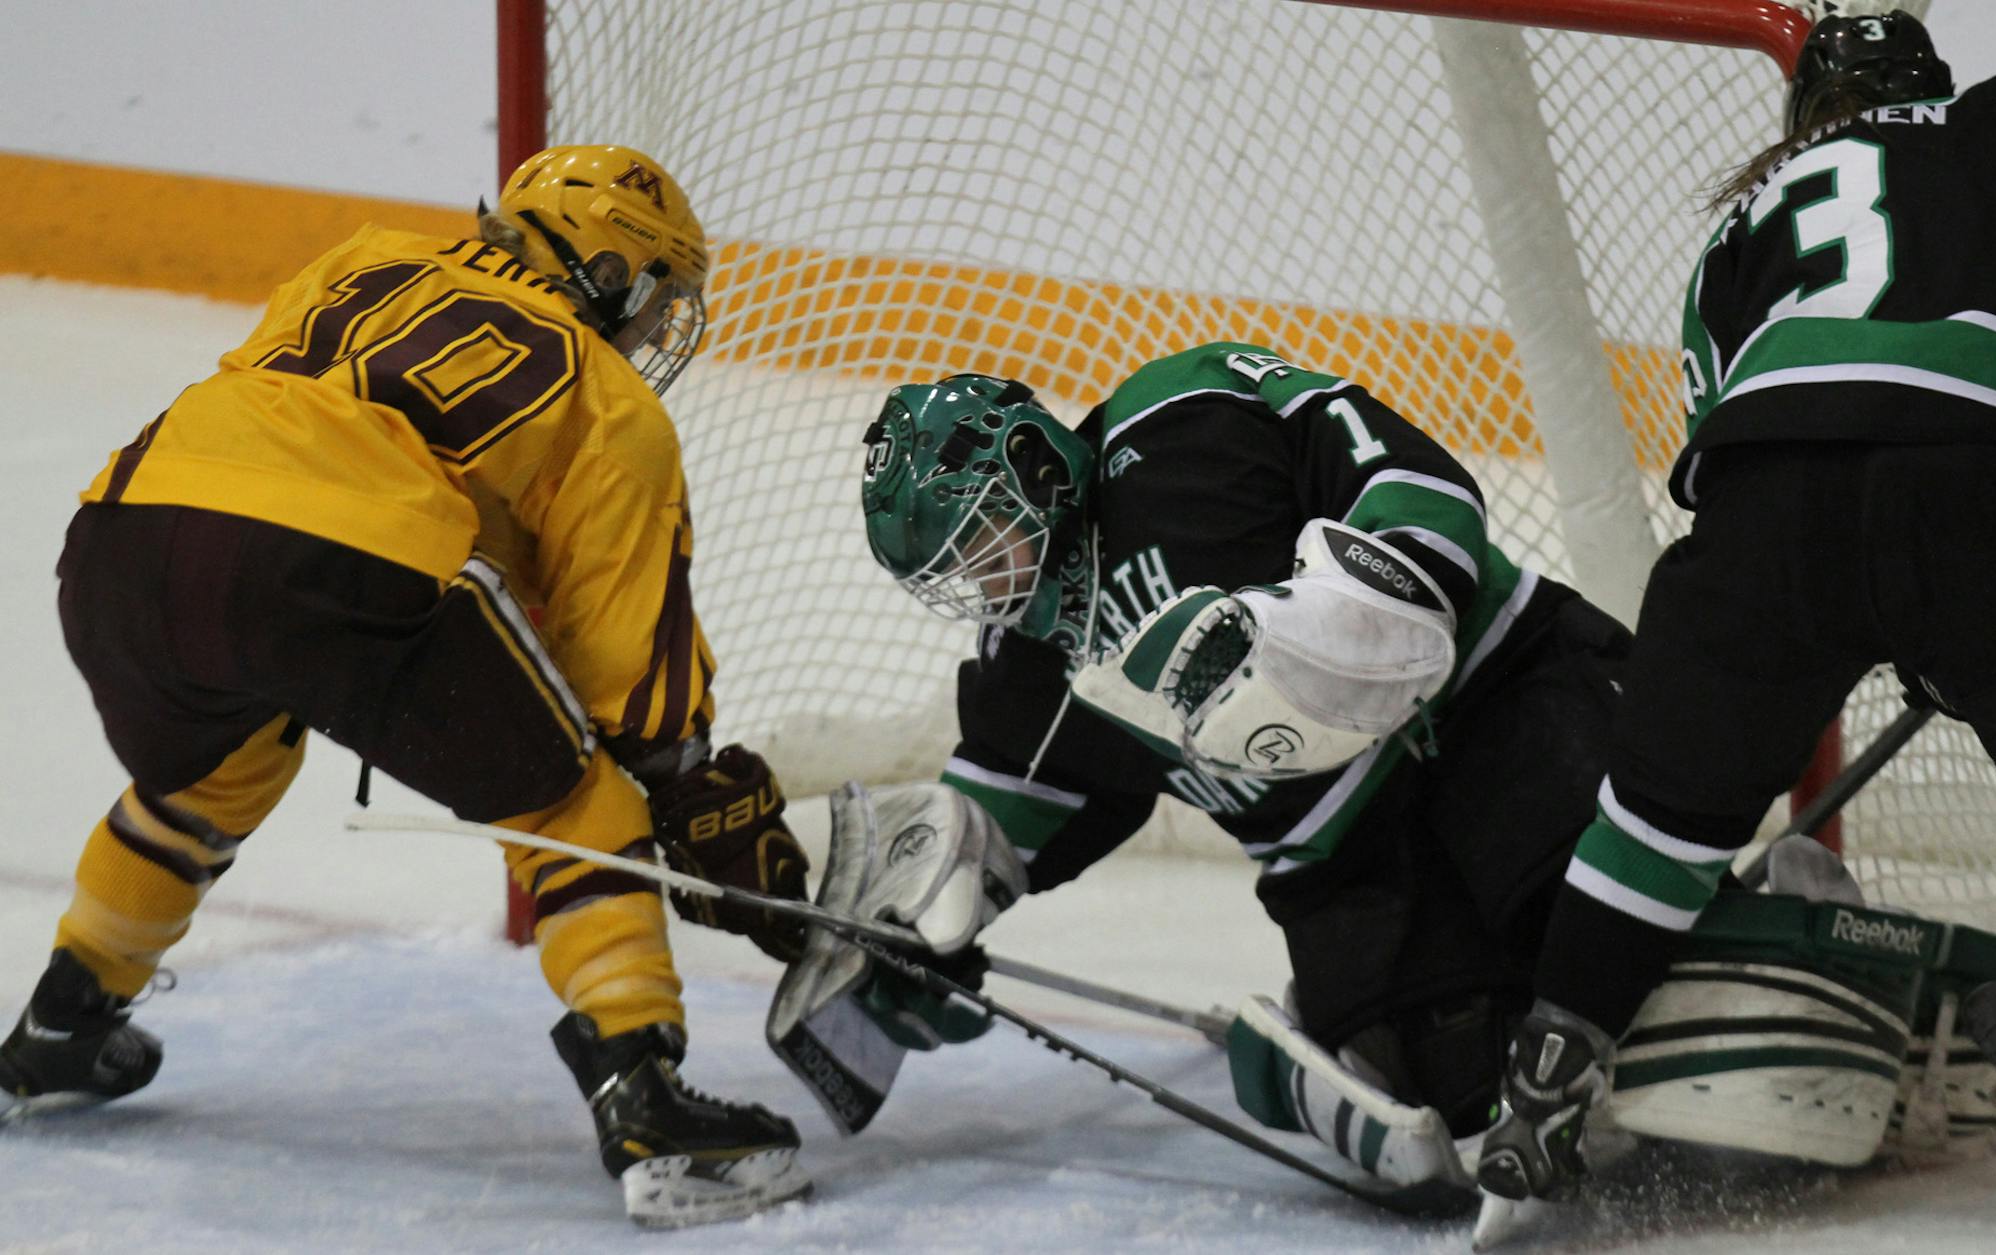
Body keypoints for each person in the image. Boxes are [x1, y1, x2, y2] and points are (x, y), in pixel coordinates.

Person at [0, 145, 814, 1227]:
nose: (656, 327)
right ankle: (647, 1104)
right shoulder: (611, 400)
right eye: (659, 295)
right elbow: (628, 677)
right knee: (575, 804)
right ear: (614, 270)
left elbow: (325, 430)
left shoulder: (366, 259)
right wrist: (687, 788)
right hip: (334, 562)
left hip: (125, 533)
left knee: (214, 772)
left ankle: (62, 1022)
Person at [1475, 11, 1996, 1205]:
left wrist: (1872, 594)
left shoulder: (1741, 225)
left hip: (1768, 494)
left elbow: (1736, 458)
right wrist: (1962, 617)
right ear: (1931, 81)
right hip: (1988, 482)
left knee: (1659, 821)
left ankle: (1547, 1074)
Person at [816, 342, 1634, 1192]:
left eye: (984, 539)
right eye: (956, 570)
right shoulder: (1027, 670)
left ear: (1037, 466)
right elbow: (994, 818)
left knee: (1590, 920)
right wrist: (910, 937)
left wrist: (1371, 605)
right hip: (1348, 864)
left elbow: (1401, 476)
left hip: (1488, 698)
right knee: (1456, 1077)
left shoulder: (1179, 425)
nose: (984, 583)